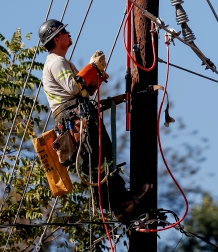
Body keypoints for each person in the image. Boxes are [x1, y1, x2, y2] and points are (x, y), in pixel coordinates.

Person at [39, 18, 151, 222]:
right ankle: (124, 206)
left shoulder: (61, 61)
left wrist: (96, 76)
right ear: (55, 38)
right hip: (75, 118)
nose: (68, 34)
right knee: (99, 160)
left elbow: (81, 92)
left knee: (102, 157)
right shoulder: (56, 62)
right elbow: (73, 88)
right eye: (64, 32)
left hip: (79, 114)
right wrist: (91, 68)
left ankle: (122, 205)